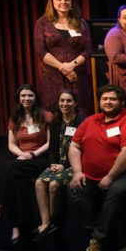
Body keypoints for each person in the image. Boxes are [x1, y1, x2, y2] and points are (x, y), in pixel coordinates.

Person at [68, 85, 126, 251]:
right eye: (104, 99)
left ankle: (98, 238)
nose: (108, 102)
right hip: (92, 176)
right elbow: (75, 146)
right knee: (75, 189)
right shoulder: (91, 120)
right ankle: (95, 231)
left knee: (117, 190)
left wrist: (111, 176)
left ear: (121, 102)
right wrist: (77, 171)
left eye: (112, 99)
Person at [0, 84, 54, 244]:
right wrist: (22, 154)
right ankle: (18, 227)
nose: (26, 99)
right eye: (23, 96)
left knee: (9, 167)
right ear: (19, 98)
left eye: (30, 95)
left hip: (41, 158)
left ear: (35, 98)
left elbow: (51, 142)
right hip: (23, 159)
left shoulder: (46, 115)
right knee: (17, 184)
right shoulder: (15, 117)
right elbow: (11, 144)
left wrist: (32, 154)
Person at [33, 90, 85, 240]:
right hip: (58, 163)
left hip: (74, 165)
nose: (65, 104)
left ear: (75, 103)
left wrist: (65, 165)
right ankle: (45, 222)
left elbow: (83, 148)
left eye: (69, 101)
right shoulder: (55, 122)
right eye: (62, 101)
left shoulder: (81, 122)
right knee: (38, 183)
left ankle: (53, 220)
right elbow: (52, 147)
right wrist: (54, 163)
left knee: (54, 185)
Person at [34, 0, 93, 112]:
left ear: (71, 2)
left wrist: (71, 65)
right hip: (52, 75)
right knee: (55, 110)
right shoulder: (43, 23)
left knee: (79, 109)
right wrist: (63, 67)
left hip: (76, 74)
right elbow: (41, 52)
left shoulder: (80, 23)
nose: (63, 2)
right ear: (53, 3)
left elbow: (87, 50)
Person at [104, 6, 126, 105]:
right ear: (119, 19)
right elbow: (114, 57)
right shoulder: (114, 34)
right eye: (125, 17)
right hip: (125, 79)